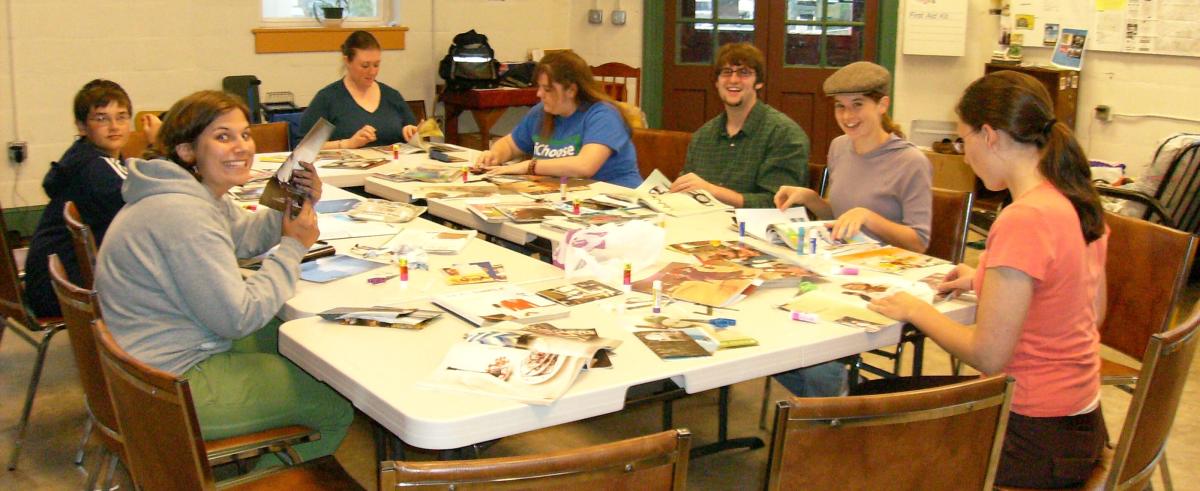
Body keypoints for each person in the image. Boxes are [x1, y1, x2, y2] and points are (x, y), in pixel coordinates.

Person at [868, 70, 1108, 488]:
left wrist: (916, 309)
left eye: (964, 140)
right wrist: (987, 279)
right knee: (884, 398)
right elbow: (1088, 307)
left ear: (991, 136)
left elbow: (989, 355)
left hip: (1030, 437)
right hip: (1081, 423)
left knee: (864, 412)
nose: (963, 155)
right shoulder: (1076, 199)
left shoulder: (1024, 219)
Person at [94, 90, 352, 467]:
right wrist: (292, 248)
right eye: (223, 136)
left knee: (300, 340)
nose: (242, 147)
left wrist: (295, 201)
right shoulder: (185, 214)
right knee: (336, 405)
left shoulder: (192, 193)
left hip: (156, 355)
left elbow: (247, 237)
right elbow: (239, 317)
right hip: (168, 382)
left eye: (244, 134)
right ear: (186, 151)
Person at [772, 61, 933, 397]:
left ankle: (832, 408)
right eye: (840, 107)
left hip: (884, 281)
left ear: (882, 104)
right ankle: (836, 398)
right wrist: (812, 198)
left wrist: (871, 218)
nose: (848, 116)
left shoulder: (911, 161)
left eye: (858, 105)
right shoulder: (839, 147)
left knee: (814, 347)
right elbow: (840, 216)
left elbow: (919, 241)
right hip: (837, 268)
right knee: (772, 318)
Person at [23, 79, 161, 317]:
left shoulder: (85, 157)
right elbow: (152, 205)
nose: (114, 126)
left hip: (54, 281)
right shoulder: (93, 168)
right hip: (63, 288)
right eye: (101, 118)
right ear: (81, 126)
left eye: (121, 116)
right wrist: (159, 146)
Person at [474, 50, 643, 188]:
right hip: (565, 199)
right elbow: (510, 144)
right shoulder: (541, 112)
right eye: (539, 87)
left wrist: (529, 166)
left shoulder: (604, 115)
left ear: (571, 90)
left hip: (616, 201)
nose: (539, 94)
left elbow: (585, 166)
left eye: (547, 89)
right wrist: (495, 154)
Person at [673, 42, 808, 208]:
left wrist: (712, 191)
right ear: (716, 82)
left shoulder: (784, 134)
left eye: (744, 73)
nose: (734, 80)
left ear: (758, 82)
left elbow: (778, 203)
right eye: (726, 72)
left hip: (759, 231)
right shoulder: (702, 136)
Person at [300, 30, 418, 150]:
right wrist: (347, 144)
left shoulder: (392, 96)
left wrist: (410, 133)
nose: (372, 72)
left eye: (376, 65)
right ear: (347, 61)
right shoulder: (328, 98)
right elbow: (305, 146)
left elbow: (414, 135)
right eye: (365, 66)